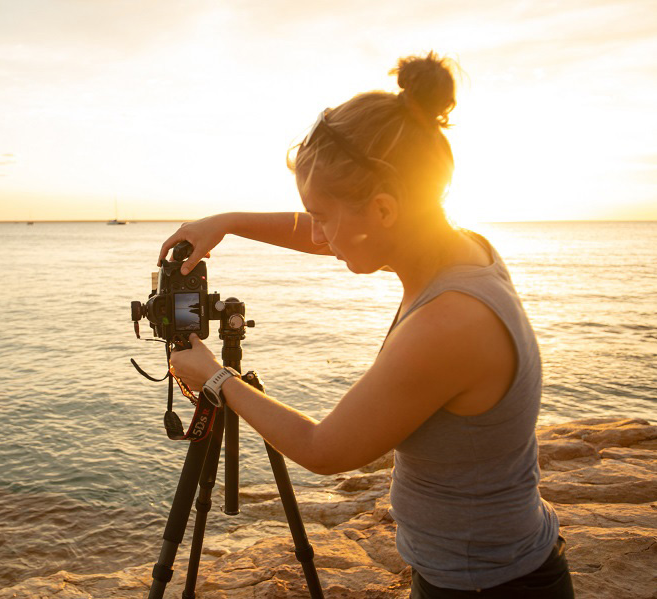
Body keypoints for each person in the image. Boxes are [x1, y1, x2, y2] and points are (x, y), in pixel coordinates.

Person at [158, 52, 575, 598]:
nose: (318, 235)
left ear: (383, 210)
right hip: (477, 570)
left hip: (490, 587)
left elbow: (325, 449)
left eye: (325, 216)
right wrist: (229, 223)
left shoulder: (452, 322)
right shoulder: (457, 252)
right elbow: (324, 230)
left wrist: (216, 378)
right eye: (315, 216)